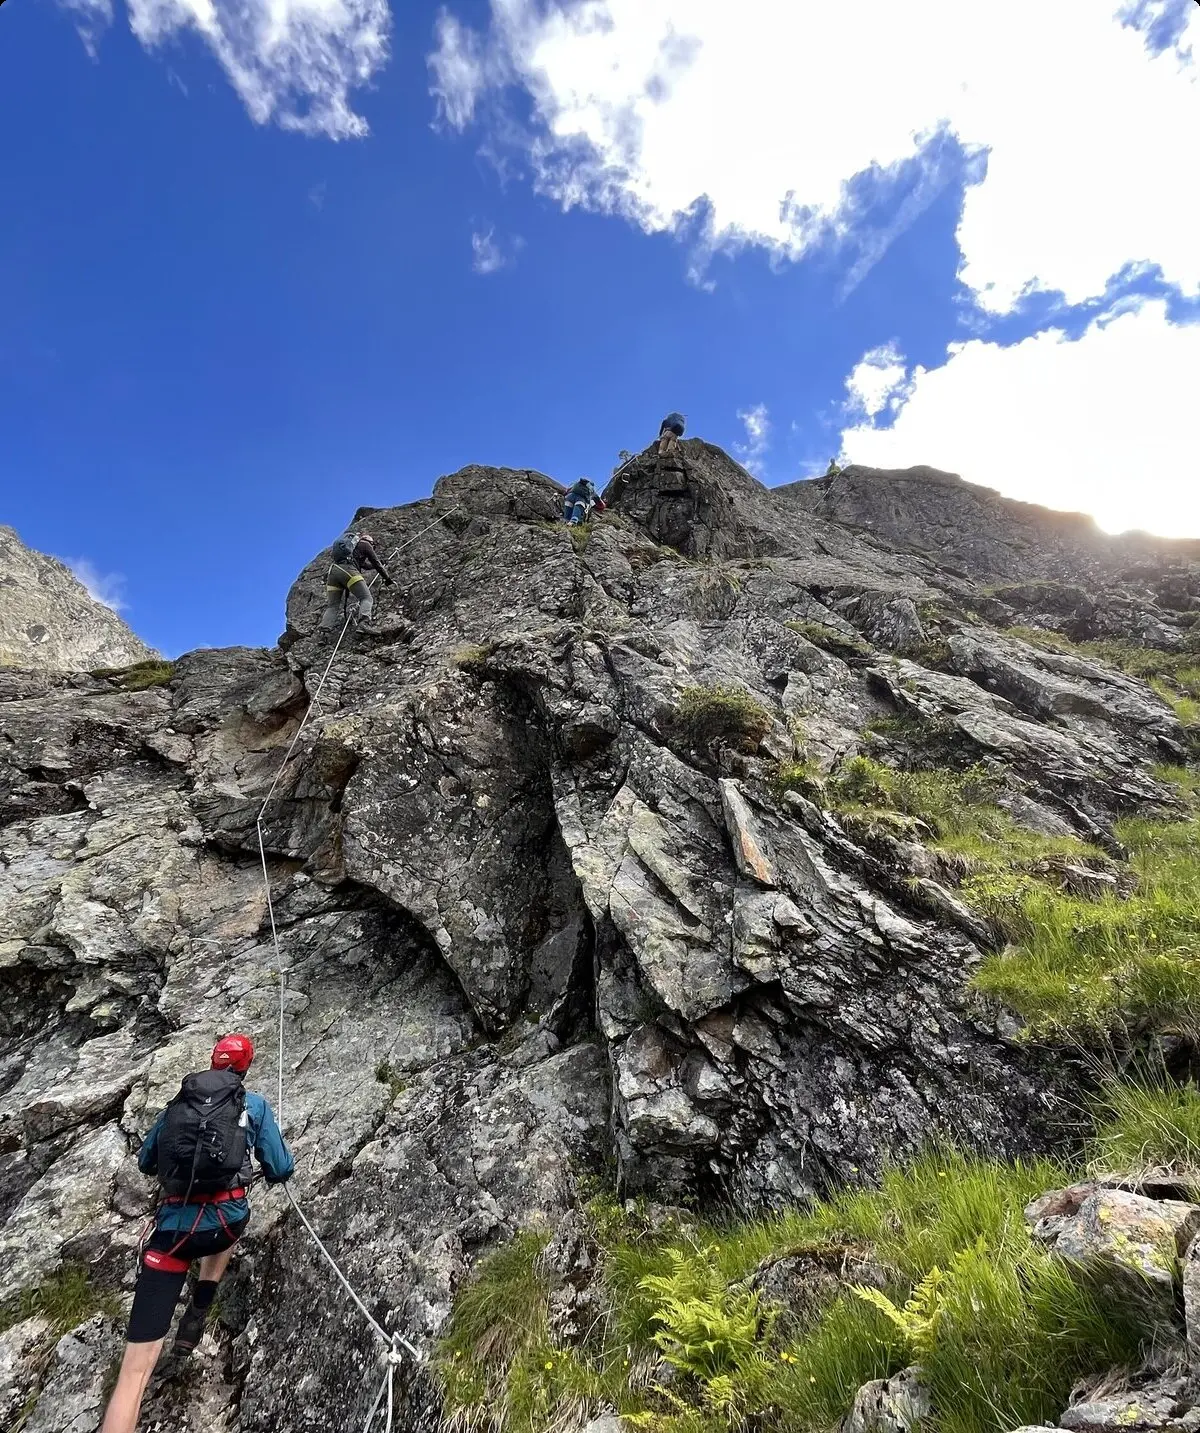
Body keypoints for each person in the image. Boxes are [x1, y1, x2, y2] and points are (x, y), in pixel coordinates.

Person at [100, 1035, 294, 1433]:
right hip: (224, 1226)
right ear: (245, 1068)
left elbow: (146, 1162)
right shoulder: (252, 1105)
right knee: (231, 1220)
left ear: (212, 1062)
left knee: (133, 1376)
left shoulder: (178, 1105)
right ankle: (200, 1306)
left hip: (171, 1235)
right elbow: (279, 1166)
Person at [320, 531, 395, 631]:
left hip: (333, 572)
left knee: (333, 606)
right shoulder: (366, 544)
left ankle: (324, 631)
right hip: (348, 570)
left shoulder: (352, 549)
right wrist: (387, 579)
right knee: (366, 598)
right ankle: (364, 624)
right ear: (370, 542)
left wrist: (382, 561)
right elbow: (377, 564)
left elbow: (366, 566)